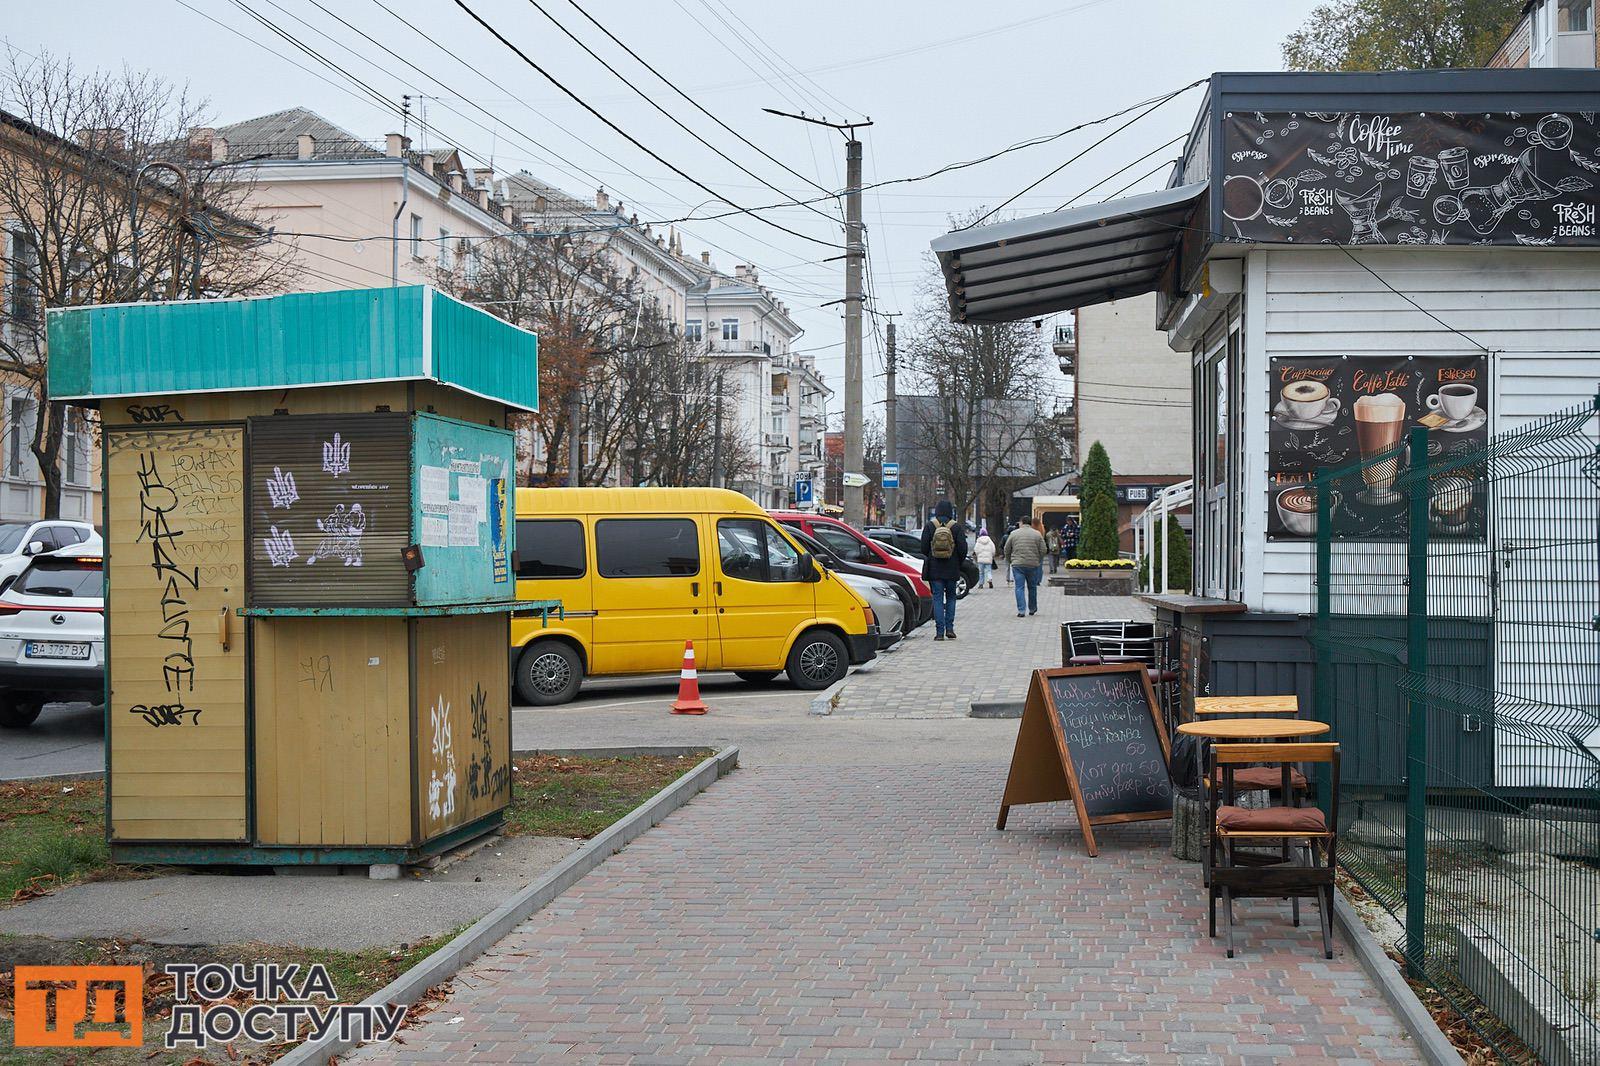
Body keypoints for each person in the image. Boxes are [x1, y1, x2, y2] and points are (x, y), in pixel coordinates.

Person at [919, 499, 968, 640]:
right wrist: (957, 562)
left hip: (935, 569)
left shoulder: (930, 526)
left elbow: (923, 548)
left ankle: (939, 632)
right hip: (952, 568)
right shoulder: (956, 527)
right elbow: (963, 548)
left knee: (938, 598)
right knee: (952, 597)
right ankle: (950, 629)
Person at [1004, 518, 1047, 618]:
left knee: (1019, 587)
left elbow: (1007, 549)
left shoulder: (1014, 534)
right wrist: (1038, 559)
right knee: (1032, 587)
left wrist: (1010, 560)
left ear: (1022, 523)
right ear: (1030, 523)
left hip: (1018, 564)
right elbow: (1044, 549)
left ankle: (1021, 610)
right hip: (1032, 564)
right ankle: (1032, 608)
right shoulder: (1037, 534)